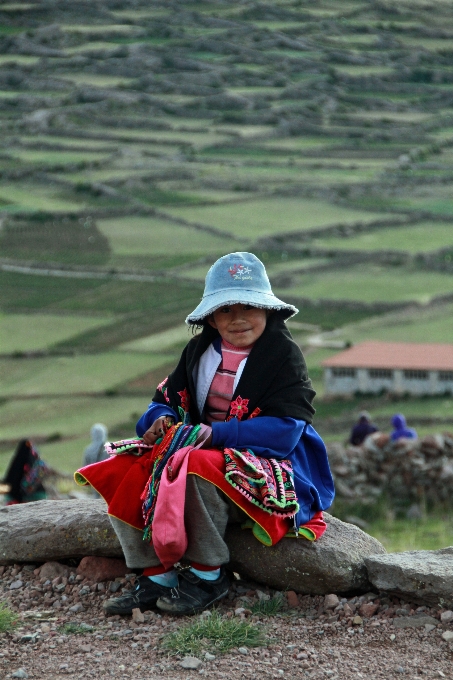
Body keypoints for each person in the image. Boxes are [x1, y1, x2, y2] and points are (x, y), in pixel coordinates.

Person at [76, 252, 335, 617]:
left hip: (270, 462)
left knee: (193, 463)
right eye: (226, 310)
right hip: (201, 448)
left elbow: (286, 431)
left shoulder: (284, 356)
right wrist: (161, 420)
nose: (238, 318)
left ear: (268, 309)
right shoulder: (199, 351)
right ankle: (155, 574)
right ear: (211, 316)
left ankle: (207, 574)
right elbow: (164, 400)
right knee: (124, 465)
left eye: (249, 305)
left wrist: (214, 434)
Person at [2, 439, 51, 505]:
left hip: (17, 496)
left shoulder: (17, 463)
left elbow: (11, 482)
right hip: (38, 494)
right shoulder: (36, 461)